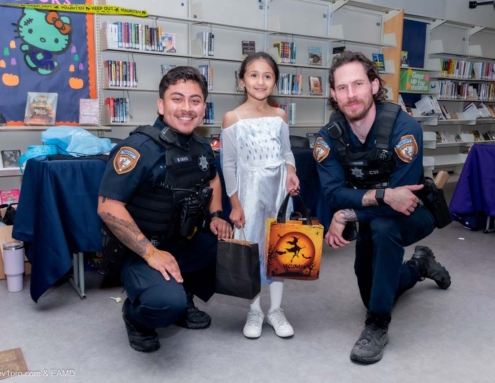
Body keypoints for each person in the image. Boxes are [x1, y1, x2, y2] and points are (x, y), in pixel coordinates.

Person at [314, 51, 451, 364]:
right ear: (334, 94)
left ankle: (377, 326)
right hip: (376, 213)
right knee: (373, 293)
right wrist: (382, 196)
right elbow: (334, 195)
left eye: (358, 84)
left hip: (416, 213)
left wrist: (348, 213)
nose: (351, 95)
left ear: (374, 86)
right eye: (343, 88)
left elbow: (403, 203)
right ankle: (419, 266)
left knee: (383, 227)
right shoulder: (327, 138)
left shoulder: (405, 129)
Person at [97, 66, 232, 353]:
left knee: (232, 251)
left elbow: (213, 178)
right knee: (164, 304)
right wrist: (150, 253)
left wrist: (218, 214)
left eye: (195, 101)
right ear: (161, 105)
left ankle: (185, 295)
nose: (186, 108)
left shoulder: (201, 145)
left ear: (203, 107)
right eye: (177, 99)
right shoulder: (138, 148)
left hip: (183, 239)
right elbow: (107, 206)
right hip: (140, 250)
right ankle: (137, 319)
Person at [221, 52, 300, 339]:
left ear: (275, 81)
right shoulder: (233, 118)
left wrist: (291, 171)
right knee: (251, 250)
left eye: (267, 76)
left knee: (279, 248)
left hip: (278, 192)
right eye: (253, 75)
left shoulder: (279, 115)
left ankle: (275, 310)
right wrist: (235, 204)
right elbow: (228, 164)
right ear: (242, 80)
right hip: (249, 194)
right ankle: (254, 310)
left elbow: (286, 151)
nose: (260, 81)